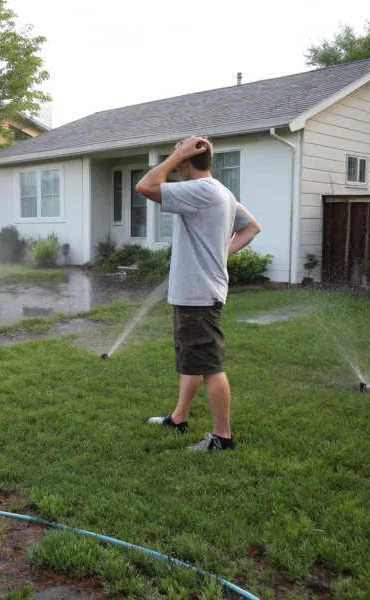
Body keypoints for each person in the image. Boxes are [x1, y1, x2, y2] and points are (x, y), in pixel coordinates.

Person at [135, 136, 261, 451]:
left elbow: (146, 186)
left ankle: (222, 437)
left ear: (186, 161)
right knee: (194, 358)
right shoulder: (221, 191)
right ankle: (179, 417)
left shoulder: (201, 190)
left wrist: (175, 156)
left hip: (199, 295)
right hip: (198, 293)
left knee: (210, 366)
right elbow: (251, 227)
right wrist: (221, 252)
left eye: (179, 160)